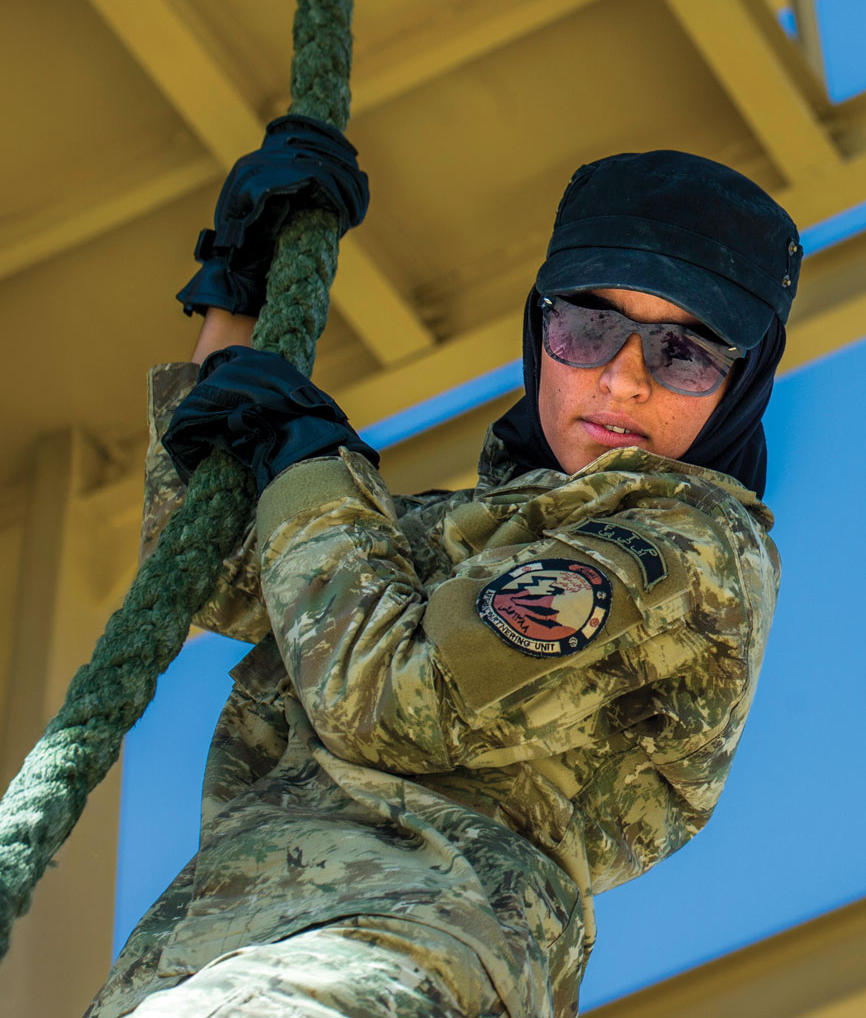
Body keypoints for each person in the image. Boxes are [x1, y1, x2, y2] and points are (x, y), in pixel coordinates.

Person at [86, 135, 800, 1018]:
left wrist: (312, 460)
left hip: (385, 963)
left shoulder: (688, 548)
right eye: (588, 327)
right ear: (541, 330)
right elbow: (214, 570)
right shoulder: (457, 536)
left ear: (743, 383)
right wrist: (237, 300)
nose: (621, 378)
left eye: (682, 353)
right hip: (227, 963)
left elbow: (391, 698)